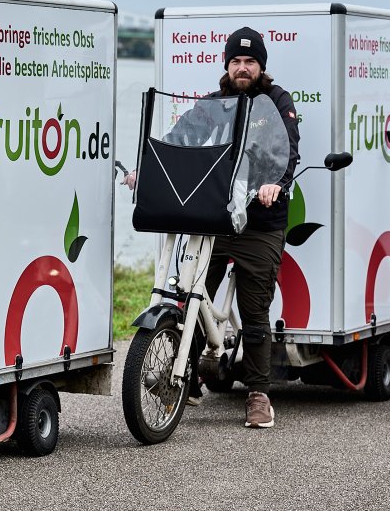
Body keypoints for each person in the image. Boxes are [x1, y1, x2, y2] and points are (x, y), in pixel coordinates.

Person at [123, 26, 300, 428]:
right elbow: (179, 137)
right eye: (236, 61)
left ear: (261, 66)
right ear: (226, 64)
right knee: (190, 293)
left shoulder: (276, 102)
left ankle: (258, 394)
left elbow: (288, 150)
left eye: (249, 61)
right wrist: (146, 171)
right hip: (216, 217)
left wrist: (277, 184)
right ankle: (187, 374)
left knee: (255, 312)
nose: (242, 67)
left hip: (260, 221)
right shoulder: (215, 103)